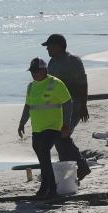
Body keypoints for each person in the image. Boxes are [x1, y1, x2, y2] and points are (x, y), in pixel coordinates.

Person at [17, 58, 73, 199]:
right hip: (37, 128)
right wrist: (22, 122)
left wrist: (66, 124)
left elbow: (68, 103)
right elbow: (28, 106)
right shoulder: (31, 86)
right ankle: (52, 187)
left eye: (36, 71)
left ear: (44, 70)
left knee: (43, 151)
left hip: (53, 127)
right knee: (42, 156)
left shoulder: (55, 83)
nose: (33, 74)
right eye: (32, 71)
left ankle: (45, 187)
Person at [43, 34, 91, 181]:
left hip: (74, 105)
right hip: (57, 108)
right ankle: (67, 169)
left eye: (49, 46)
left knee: (62, 136)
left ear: (58, 46)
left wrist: (84, 106)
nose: (47, 50)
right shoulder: (51, 63)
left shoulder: (73, 61)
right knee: (59, 138)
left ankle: (82, 167)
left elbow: (83, 84)